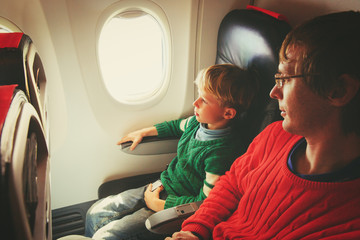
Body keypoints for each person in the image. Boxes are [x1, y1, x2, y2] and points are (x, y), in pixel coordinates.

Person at [166, 11, 360, 240]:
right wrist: (195, 230)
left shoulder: (348, 222)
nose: (274, 92)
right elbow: (232, 184)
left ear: (338, 91)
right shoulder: (274, 136)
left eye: (285, 79)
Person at [84, 64, 259, 240]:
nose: (195, 103)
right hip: (162, 184)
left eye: (204, 100)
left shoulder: (221, 154)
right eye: (198, 95)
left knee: (106, 236)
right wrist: (143, 132)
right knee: (96, 212)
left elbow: (205, 202)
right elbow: (175, 126)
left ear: (228, 113)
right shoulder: (197, 124)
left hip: (175, 209)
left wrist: (162, 205)